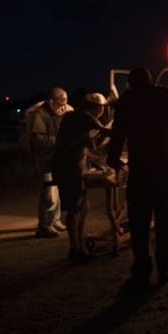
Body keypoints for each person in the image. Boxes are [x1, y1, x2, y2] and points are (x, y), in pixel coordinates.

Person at [107, 67, 168, 290]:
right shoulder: (163, 93)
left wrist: (113, 158)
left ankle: (142, 269)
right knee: (163, 218)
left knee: (139, 223)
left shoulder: (127, 100)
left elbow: (118, 132)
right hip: (163, 166)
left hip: (140, 169)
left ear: (131, 83)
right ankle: (165, 266)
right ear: (150, 79)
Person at [52, 92, 110, 263]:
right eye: (101, 108)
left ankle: (80, 245)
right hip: (68, 167)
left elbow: (86, 148)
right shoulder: (82, 116)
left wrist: (97, 163)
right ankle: (75, 249)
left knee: (83, 206)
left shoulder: (80, 119)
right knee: (75, 207)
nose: (102, 111)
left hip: (73, 166)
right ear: (96, 107)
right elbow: (106, 131)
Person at [31, 87, 72, 238]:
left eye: (65, 102)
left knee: (57, 191)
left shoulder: (64, 111)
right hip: (45, 160)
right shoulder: (41, 115)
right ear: (51, 102)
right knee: (48, 194)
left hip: (58, 159)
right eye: (61, 103)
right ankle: (44, 226)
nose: (63, 106)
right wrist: (59, 141)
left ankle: (55, 220)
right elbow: (38, 139)